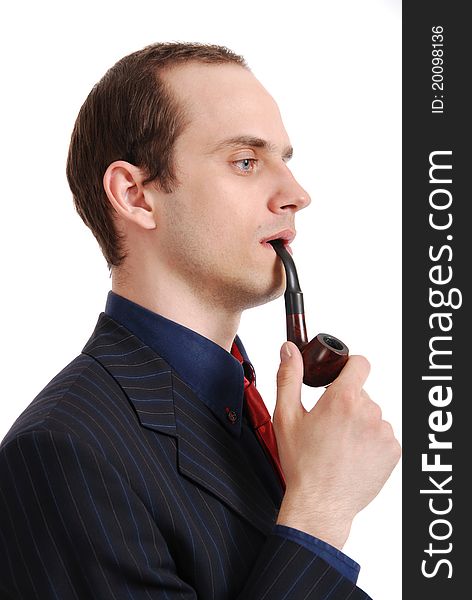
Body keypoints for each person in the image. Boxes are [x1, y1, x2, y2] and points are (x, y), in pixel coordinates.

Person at [0, 42, 400, 599]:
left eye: (285, 160)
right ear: (136, 195)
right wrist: (319, 514)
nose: (296, 194)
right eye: (245, 161)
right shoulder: (64, 450)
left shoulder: (241, 415)